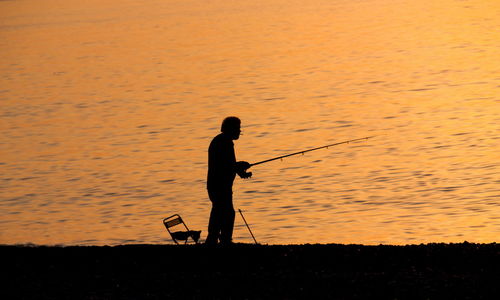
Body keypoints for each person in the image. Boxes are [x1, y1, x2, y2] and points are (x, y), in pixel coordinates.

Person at [205, 116, 252, 245]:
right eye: (237, 128)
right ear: (230, 129)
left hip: (220, 185)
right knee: (225, 212)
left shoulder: (222, 141)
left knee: (221, 211)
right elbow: (225, 165)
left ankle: (215, 239)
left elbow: (229, 164)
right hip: (219, 185)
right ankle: (221, 240)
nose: (239, 131)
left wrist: (241, 172)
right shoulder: (223, 142)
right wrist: (240, 165)